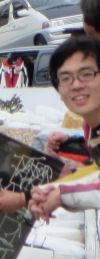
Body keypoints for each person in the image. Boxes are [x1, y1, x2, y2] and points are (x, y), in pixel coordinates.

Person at [28, 35, 100, 220]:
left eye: (86, 74)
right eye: (65, 78)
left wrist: (61, 195)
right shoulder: (90, 127)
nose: (76, 85)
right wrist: (48, 190)